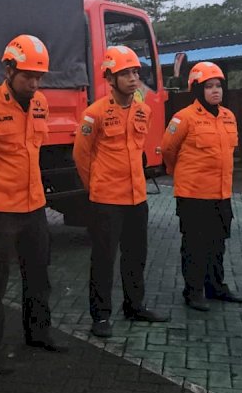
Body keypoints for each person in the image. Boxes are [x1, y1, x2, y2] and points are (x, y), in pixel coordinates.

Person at [0, 34, 68, 375]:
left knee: (38, 274)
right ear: (8, 70)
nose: (34, 84)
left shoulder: (41, 104)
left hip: (34, 206)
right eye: (28, 77)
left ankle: (38, 333)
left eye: (39, 77)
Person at [72, 46, 170, 338]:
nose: (133, 78)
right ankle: (100, 316)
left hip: (137, 198)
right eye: (125, 73)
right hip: (106, 200)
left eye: (135, 72)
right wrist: (95, 186)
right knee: (103, 259)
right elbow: (81, 155)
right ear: (110, 79)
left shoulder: (143, 111)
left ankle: (134, 306)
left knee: (136, 256)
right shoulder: (94, 114)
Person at [161, 61, 242, 312]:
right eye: (209, 86)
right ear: (197, 90)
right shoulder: (184, 118)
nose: (215, 90)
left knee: (217, 243)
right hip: (193, 195)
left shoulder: (228, 117)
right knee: (195, 246)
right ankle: (194, 291)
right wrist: (176, 172)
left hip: (221, 193)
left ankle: (215, 287)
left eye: (218, 85)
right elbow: (168, 149)